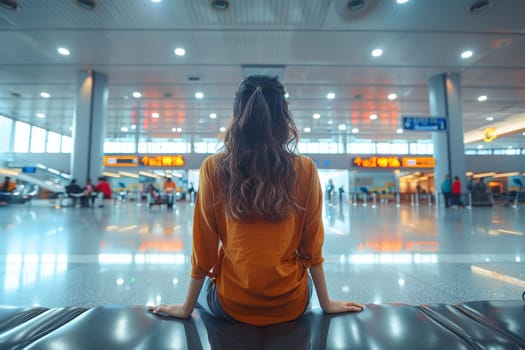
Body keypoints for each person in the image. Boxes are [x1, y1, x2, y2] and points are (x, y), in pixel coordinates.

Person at [149, 75, 363, 325]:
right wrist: (326, 303)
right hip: (291, 303)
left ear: (238, 115)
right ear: (285, 116)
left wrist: (186, 307)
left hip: (231, 303)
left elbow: (204, 249)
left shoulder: (214, 168)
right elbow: (311, 248)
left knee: (208, 291)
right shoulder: (305, 169)